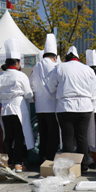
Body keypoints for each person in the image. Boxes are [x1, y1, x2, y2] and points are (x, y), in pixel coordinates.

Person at [47, 46, 96, 172]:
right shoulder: (88, 69)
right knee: (82, 137)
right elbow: (92, 88)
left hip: (66, 106)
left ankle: (69, 167)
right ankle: (84, 166)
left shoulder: (59, 67)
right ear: (78, 58)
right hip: (84, 106)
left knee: (67, 137)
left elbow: (50, 87)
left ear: (66, 58)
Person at [0, 38, 35, 172]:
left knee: (8, 137)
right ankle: (18, 163)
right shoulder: (21, 75)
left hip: (5, 109)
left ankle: (8, 163)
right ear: (17, 63)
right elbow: (28, 93)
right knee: (19, 136)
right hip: (18, 107)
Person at [31, 34, 60, 162]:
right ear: (55, 57)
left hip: (39, 106)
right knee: (53, 135)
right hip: (52, 106)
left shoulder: (36, 67)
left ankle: (42, 158)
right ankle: (51, 158)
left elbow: (31, 83)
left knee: (43, 134)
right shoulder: (55, 66)